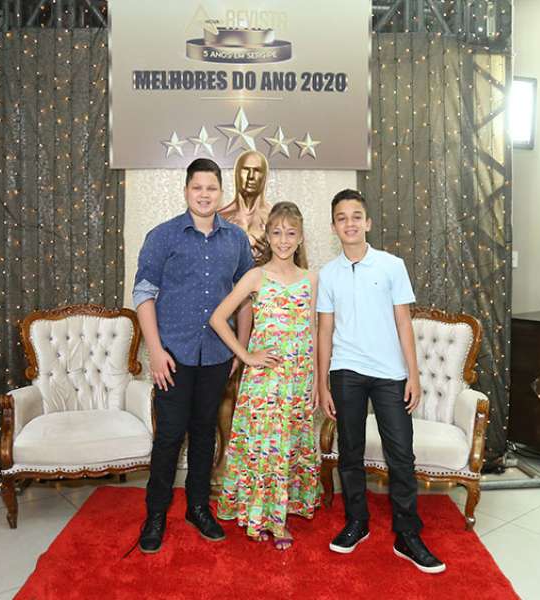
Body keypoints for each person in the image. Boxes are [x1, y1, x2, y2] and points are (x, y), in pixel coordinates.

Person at [316, 189, 445, 573]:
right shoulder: (328, 274)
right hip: (346, 371)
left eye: (356, 216)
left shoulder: (392, 266)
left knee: (401, 454)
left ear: (368, 222)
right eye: (342, 218)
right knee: (350, 452)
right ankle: (357, 522)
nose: (350, 223)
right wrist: (321, 383)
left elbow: (404, 322)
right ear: (334, 227)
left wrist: (413, 375)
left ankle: (407, 534)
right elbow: (325, 331)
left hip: (390, 374)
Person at [132, 158, 255, 554]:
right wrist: (154, 350)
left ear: (221, 192)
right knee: (169, 436)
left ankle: (198, 508)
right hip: (173, 355)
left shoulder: (236, 240)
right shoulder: (163, 236)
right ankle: (156, 514)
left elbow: (246, 298)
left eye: (211, 188)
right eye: (197, 187)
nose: (204, 195)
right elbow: (143, 294)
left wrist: (240, 350)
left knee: (205, 433)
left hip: (217, 356)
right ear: (186, 191)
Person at [210, 201, 319, 550]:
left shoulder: (311, 279)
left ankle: (279, 514)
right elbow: (218, 318)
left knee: (287, 447)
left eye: (290, 233)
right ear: (268, 236)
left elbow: (314, 331)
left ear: (300, 238)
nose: (284, 240)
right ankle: (265, 518)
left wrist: (319, 381)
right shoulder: (256, 276)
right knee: (264, 447)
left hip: (298, 379)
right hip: (264, 381)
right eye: (277, 233)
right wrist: (245, 356)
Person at [218, 150, 271, 260]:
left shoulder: (275, 218)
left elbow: (298, 264)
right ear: (236, 174)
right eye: (245, 170)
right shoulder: (219, 218)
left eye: (257, 170)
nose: (251, 176)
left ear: (265, 176)